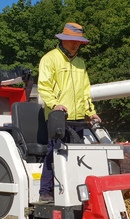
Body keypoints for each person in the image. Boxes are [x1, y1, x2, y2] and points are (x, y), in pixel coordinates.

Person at [37, 22, 102, 203]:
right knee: (54, 152)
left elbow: (85, 91)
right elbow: (44, 86)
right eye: (72, 40)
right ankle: (45, 192)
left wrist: (91, 112)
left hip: (78, 118)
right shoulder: (50, 59)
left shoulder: (81, 64)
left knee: (77, 156)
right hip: (58, 117)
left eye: (78, 41)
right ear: (63, 40)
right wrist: (55, 104)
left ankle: (75, 191)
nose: (75, 44)